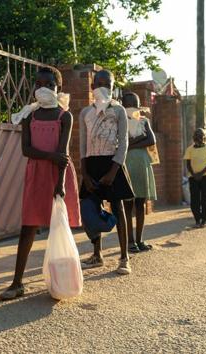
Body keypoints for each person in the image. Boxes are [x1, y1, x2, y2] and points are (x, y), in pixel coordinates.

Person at [0, 67, 81, 301]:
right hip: (36, 174)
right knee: (28, 226)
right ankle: (17, 283)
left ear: (58, 88)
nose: (42, 89)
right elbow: (26, 150)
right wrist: (49, 157)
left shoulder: (64, 116)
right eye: (38, 84)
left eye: (48, 84)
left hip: (58, 174)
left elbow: (63, 154)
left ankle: (61, 278)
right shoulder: (29, 115)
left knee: (59, 226)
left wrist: (61, 182)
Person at [79, 69, 134, 275]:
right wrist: (84, 173)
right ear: (92, 87)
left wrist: (113, 170)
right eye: (98, 84)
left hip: (112, 164)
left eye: (107, 85)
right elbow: (83, 145)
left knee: (117, 207)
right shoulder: (85, 112)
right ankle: (97, 254)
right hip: (91, 164)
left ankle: (124, 257)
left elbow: (124, 143)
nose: (102, 88)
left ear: (113, 88)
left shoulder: (118, 111)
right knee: (91, 208)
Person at [121, 92, 156, 253]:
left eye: (134, 105)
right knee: (127, 204)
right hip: (126, 164)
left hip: (141, 164)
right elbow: (119, 142)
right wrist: (138, 142)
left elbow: (151, 140)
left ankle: (140, 240)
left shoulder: (144, 121)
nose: (132, 108)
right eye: (129, 105)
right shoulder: (120, 121)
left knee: (140, 203)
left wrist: (131, 145)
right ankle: (130, 241)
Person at [184, 128, 206, 228]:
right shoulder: (189, 149)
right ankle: (197, 219)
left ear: (204, 138)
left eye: (201, 135)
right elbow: (188, 164)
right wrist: (194, 174)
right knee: (195, 199)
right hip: (193, 177)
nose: (199, 137)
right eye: (196, 136)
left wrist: (201, 174)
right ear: (193, 138)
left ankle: (205, 220)